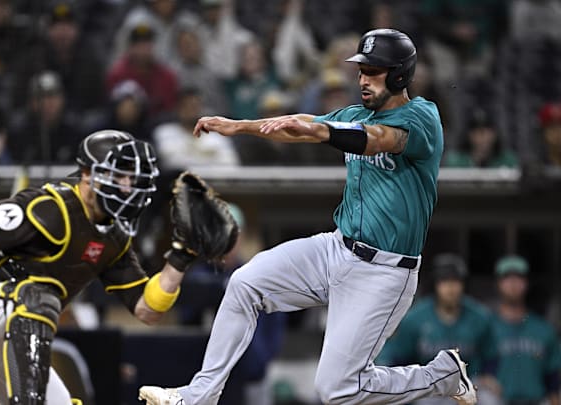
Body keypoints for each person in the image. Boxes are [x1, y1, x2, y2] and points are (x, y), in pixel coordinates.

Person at [139, 28, 477, 405]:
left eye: (373, 70)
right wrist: (240, 126)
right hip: (336, 249)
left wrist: (319, 129)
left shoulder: (422, 117)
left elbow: (376, 138)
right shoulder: (354, 113)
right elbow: (302, 127)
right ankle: (199, 397)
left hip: (385, 272)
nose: (363, 78)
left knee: (337, 391)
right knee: (244, 284)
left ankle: (441, 375)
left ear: (399, 74)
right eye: (361, 70)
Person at [0, 130, 214, 404]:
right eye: (120, 176)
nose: (128, 187)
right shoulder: (51, 206)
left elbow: (147, 309)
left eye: (132, 179)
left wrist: (180, 257)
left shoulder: (114, 235)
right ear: (88, 174)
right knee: (37, 298)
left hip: (6, 337)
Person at [378, 253, 501, 404]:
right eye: (444, 281)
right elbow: (400, 359)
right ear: (435, 284)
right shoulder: (415, 318)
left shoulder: (479, 316)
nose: (450, 288)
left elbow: (491, 356)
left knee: (490, 400)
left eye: (455, 281)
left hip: (468, 383)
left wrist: (489, 375)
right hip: (429, 385)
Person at [491, 255, 561, 405]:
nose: (513, 284)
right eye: (507, 278)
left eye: (518, 278)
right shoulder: (487, 327)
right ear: (498, 283)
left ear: (526, 283)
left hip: (537, 400)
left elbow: (553, 375)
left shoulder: (543, 329)